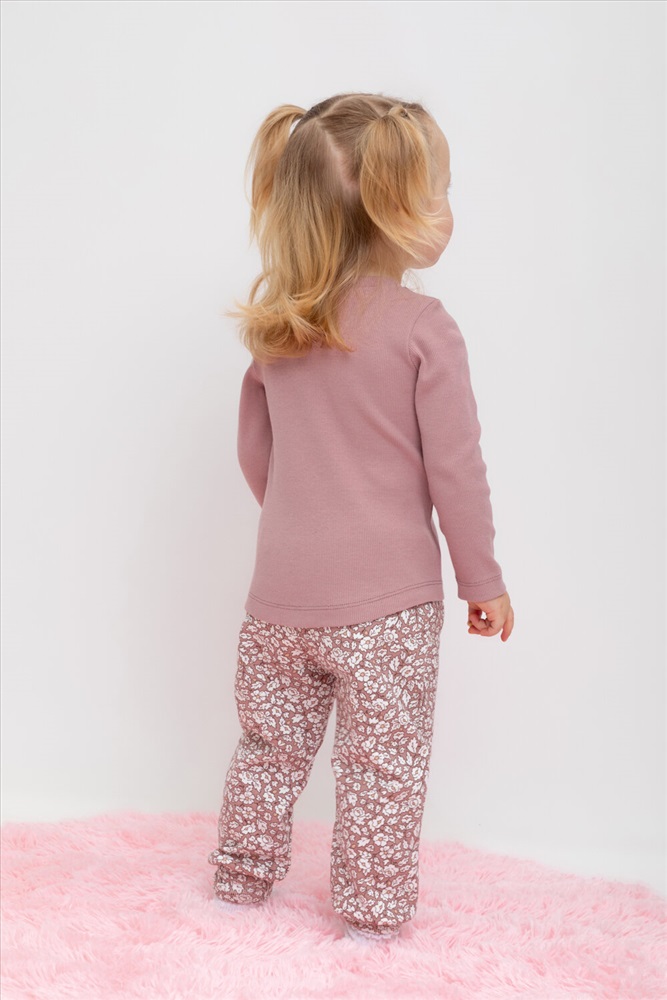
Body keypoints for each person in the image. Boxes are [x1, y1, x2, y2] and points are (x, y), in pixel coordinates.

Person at [207, 92, 514, 944]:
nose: (448, 207)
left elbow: (256, 455)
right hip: (388, 609)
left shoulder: (279, 326)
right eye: (438, 190)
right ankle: (372, 926)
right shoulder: (424, 329)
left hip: (278, 601)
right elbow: (456, 471)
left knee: (267, 749)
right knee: (382, 768)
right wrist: (481, 580)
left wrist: (305, 524)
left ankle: (236, 886)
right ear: (393, 210)